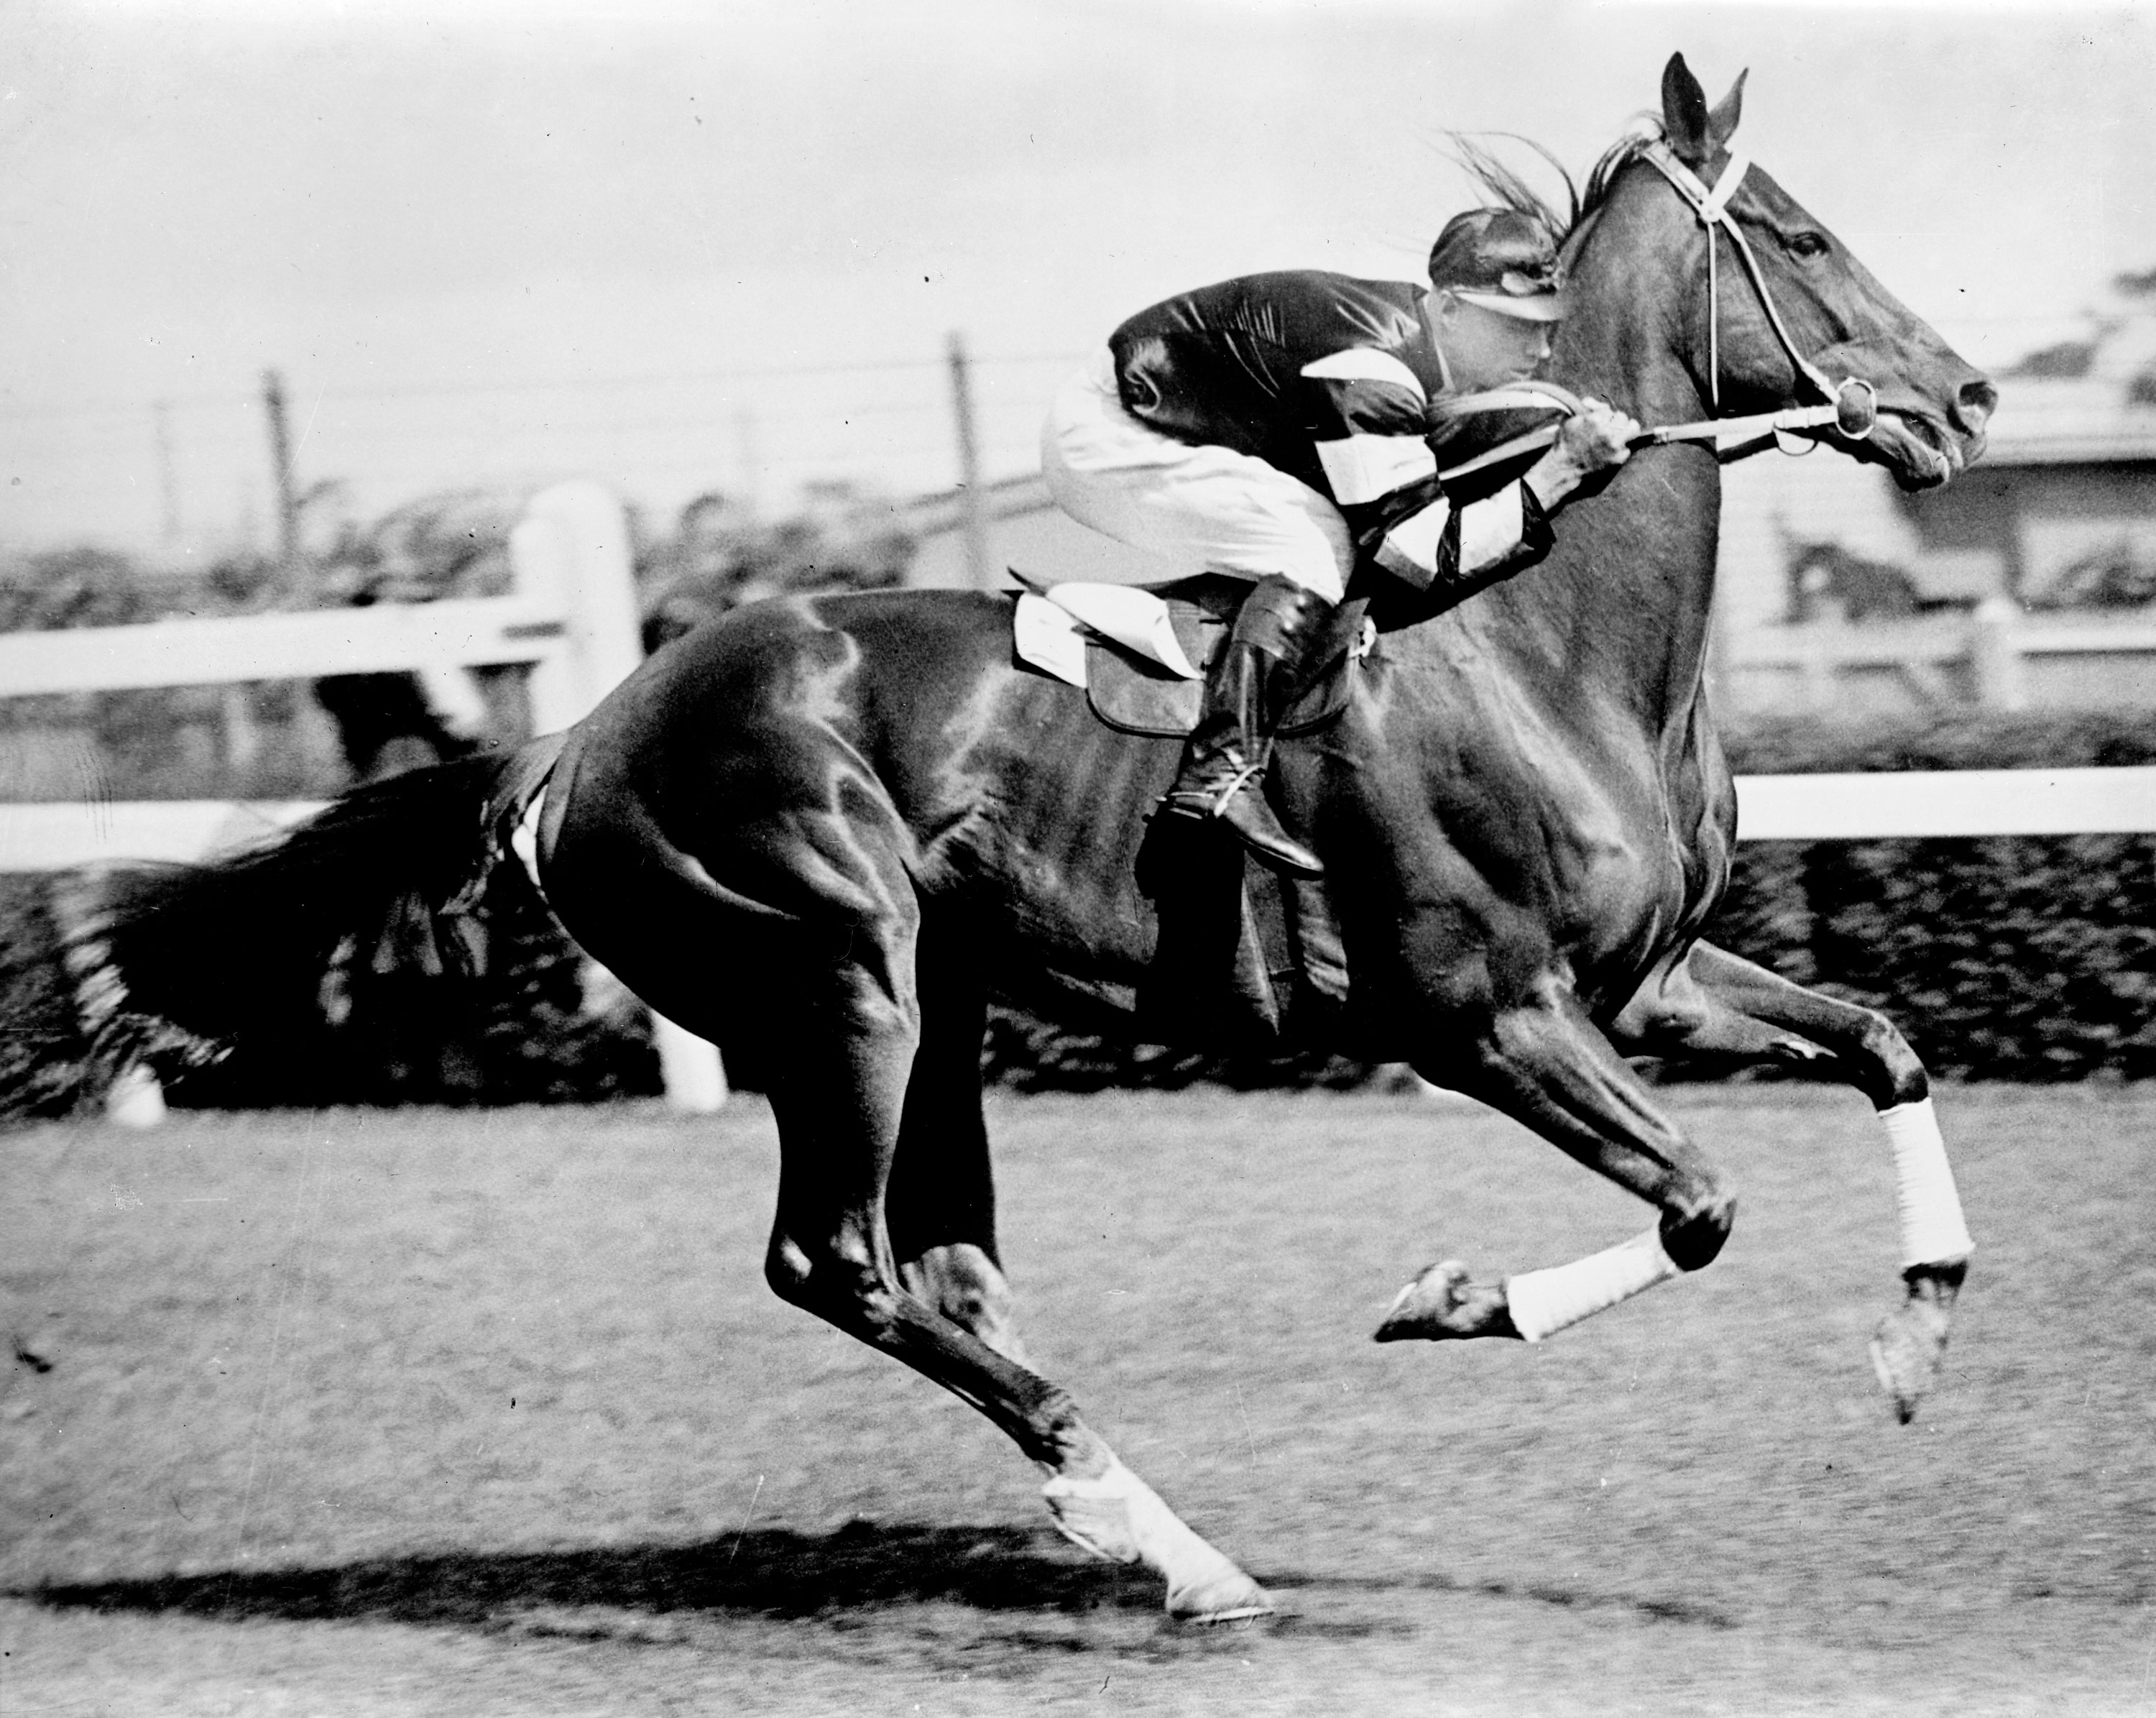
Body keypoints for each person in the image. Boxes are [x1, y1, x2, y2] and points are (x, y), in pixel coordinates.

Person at [1041, 207, 1640, 876]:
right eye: (1519, 327)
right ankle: (1218, 774)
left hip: (1172, 415)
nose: (1542, 351)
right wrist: (1562, 472)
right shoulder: (1371, 372)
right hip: (1108, 433)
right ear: (1446, 312)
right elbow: (1422, 558)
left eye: (1548, 326)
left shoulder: (1414, 347)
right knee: (1317, 545)